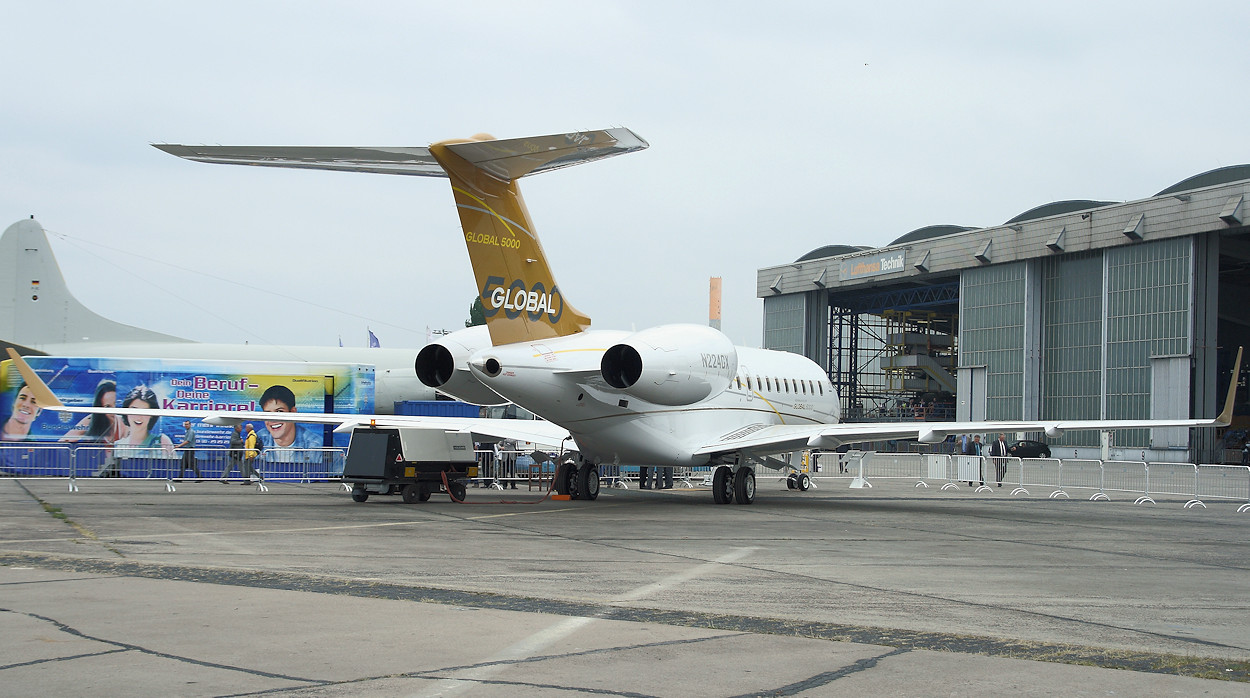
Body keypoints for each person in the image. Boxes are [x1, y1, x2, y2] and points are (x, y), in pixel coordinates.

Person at [258, 385, 322, 470]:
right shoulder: (258, 439)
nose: (272, 419)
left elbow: (336, 477)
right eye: (267, 413)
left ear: (293, 412)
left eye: (279, 412)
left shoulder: (316, 444)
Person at [60, 379, 121, 444]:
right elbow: (63, 441)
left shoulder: (128, 420)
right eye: (107, 406)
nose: (113, 410)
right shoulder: (92, 419)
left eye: (116, 404)